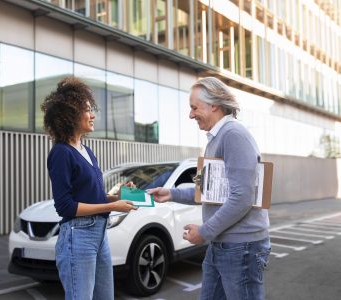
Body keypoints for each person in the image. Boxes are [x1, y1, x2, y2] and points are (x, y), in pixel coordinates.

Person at [147, 77, 271, 300]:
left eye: (194, 108)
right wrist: (171, 193)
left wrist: (204, 232)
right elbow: (210, 191)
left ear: (213, 105)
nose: (191, 114)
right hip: (223, 245)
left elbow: (242, 197)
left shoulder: (233, 135)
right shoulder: (217, 138)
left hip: (241, 247)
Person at [42, 77, 136, 300]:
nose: (93, 115)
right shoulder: (61, 153)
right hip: (78, 236)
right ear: (71, 115)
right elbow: (65, 206)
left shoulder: (87, 151)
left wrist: (117, 196)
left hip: (99, 235)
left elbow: (92, 197)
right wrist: (113, 205)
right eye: (87, 110)